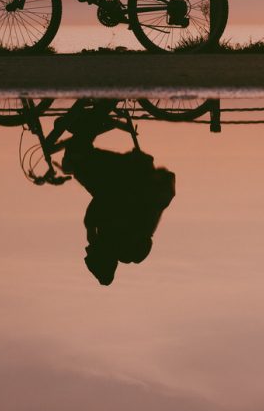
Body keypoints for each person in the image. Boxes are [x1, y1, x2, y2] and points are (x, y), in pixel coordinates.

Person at [56, 99, 176, 286]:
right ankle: (105, 104)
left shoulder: (116, 240)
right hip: (130, 174)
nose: (88, 247)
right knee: (79, 157)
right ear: (101, 256)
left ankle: (92, 118)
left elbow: (104, 196)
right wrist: (89, 225)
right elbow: (106, 199)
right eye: (90, 252)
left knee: (80, 163)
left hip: (129, 177)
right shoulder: (115, 236)